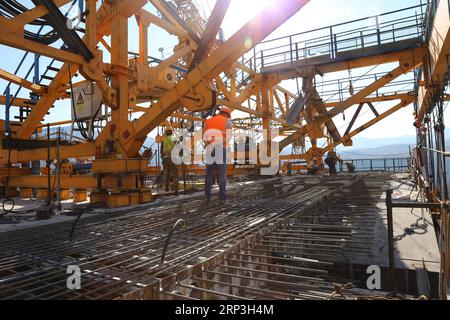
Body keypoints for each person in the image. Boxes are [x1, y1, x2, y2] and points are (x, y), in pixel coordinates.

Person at [204, 107, 233, 201]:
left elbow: (204, 138)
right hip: (220, 148)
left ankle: (207, 195)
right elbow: (228, 138)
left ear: (220, 113)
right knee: (221, 174)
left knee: (208, 174)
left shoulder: (208, 121)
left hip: (210, 149)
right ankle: (222, 196)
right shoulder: (227, 122)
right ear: (227, 115)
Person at [161, 127, 179, 194]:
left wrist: (162, 158)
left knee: (166, 173)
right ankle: (175, 189)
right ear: (172, 132)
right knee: (174, 173)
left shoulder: (164, 140)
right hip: (173, 157)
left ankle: (166, 187)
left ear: (165, 132)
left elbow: (161, 150)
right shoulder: (174, 139)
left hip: (165, 157)